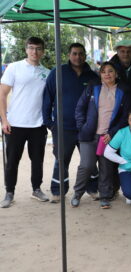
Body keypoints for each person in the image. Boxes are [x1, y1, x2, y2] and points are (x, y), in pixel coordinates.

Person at [42, 43, 99, 203]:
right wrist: (49, 122)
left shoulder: (93, 77)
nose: (78, 57)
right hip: (63, 127)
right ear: (69, 55)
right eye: (74, 53)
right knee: (61, 160)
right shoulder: (57, 73)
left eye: (81, 53)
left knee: (89, 161)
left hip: (86, 128)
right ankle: (57, 191)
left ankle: (93, 188)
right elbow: (47, 98)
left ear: (85, 55)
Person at [0, 37, 50, 208]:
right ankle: (9, 192)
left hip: (38, 124)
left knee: (38, 160)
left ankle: (36, 189)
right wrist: (4, 120)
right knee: (12, 160)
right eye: (31, 48)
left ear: (43, 51)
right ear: (26, 49)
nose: (34, 52)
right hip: (15, 124)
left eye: (38, 48)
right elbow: (2, 94)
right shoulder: (14, 68)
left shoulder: (48, 73)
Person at [71, 62, 129, 209]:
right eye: (103, 71)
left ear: (116, 73)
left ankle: (105, 196)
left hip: (108, 137)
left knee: (106, 167)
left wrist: (112, 133)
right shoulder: (93, 87)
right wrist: (82, 127)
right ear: (100, 74)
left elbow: (124, 117)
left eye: (110, 71)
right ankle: (77, 193)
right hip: (89, 135)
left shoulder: (123, 90)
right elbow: (80, 107)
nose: (107, 74)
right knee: (86, 166)